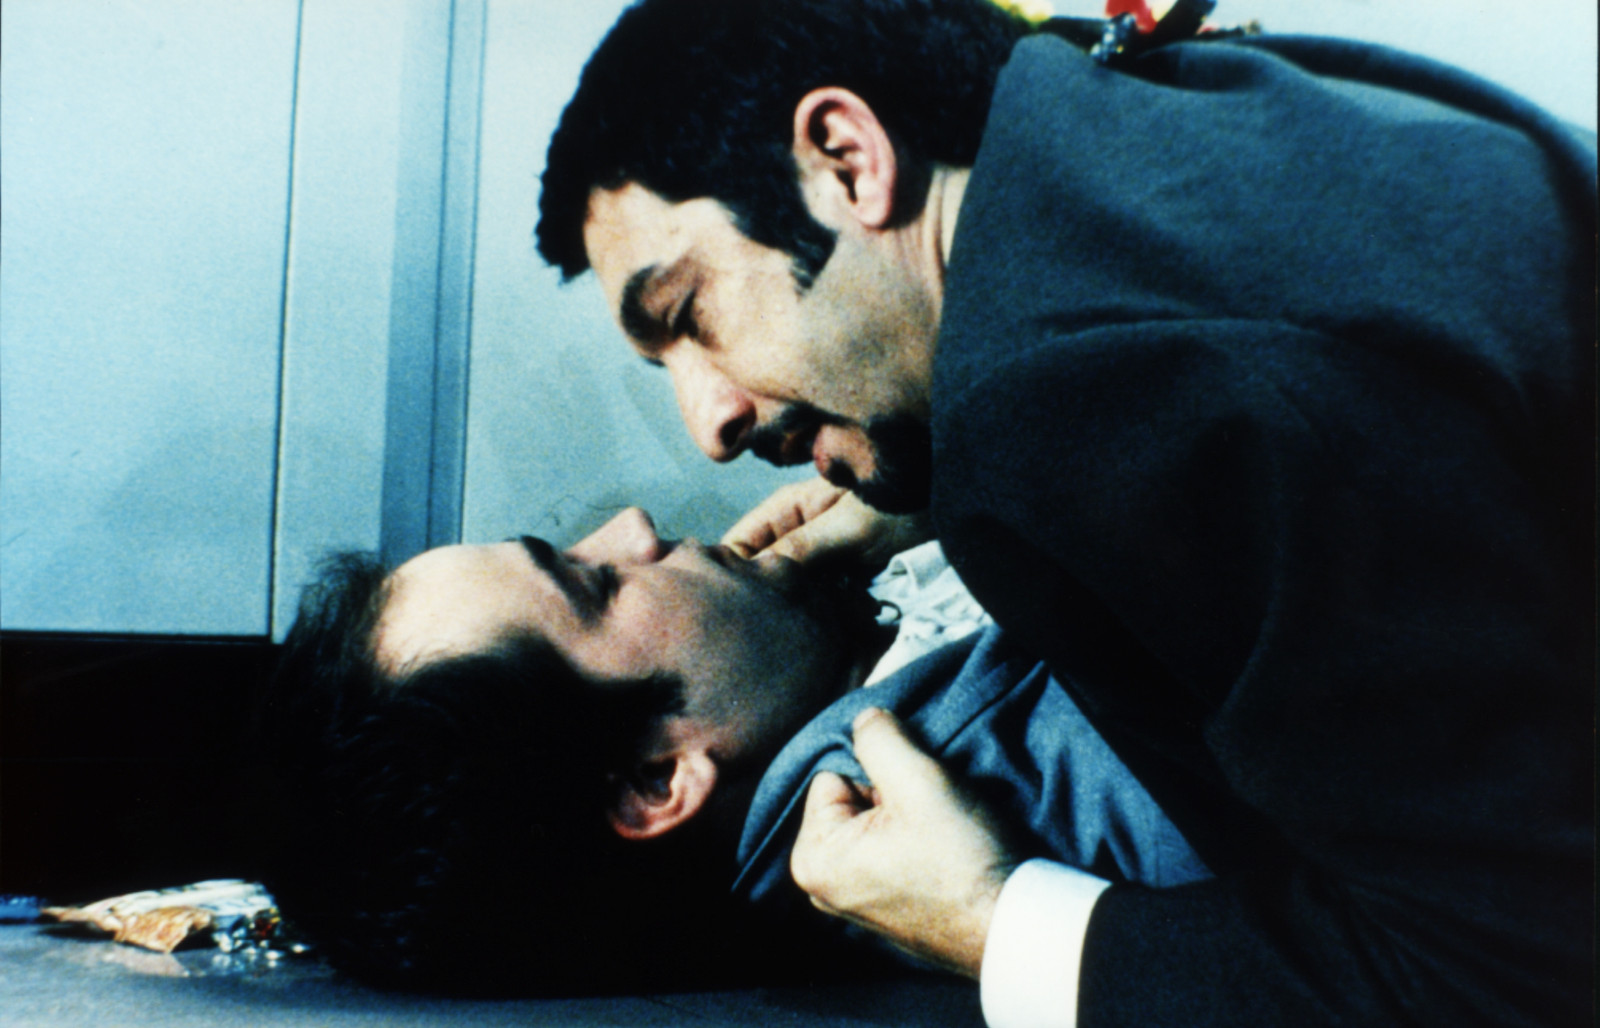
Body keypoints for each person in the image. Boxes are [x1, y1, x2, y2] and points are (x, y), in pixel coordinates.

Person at [535, 1, 1595, 1024]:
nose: (709, 426)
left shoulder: (1068, 409)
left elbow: (1506, 974)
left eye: (687, 312)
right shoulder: (1135, 94)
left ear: (848, 160)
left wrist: (997, 924)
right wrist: (929, 486)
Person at [256, 508, 1205, 994]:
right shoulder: (1046, 778)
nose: (633, 530)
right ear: (657, 780)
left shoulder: (918, 654)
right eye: (593, 582)